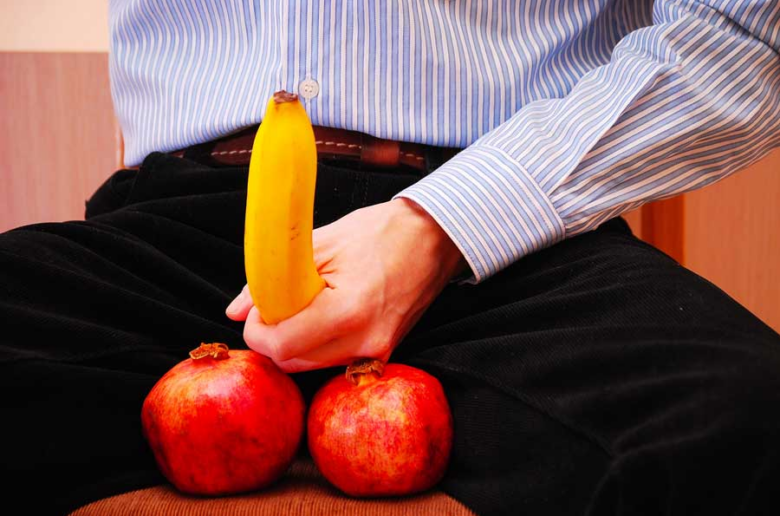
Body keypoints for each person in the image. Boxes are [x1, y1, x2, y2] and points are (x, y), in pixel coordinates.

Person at [4, 1, 780, 514]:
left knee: (746, 421)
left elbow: (738, 31)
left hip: (513, 226)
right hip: (178, 221)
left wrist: (442, 225)